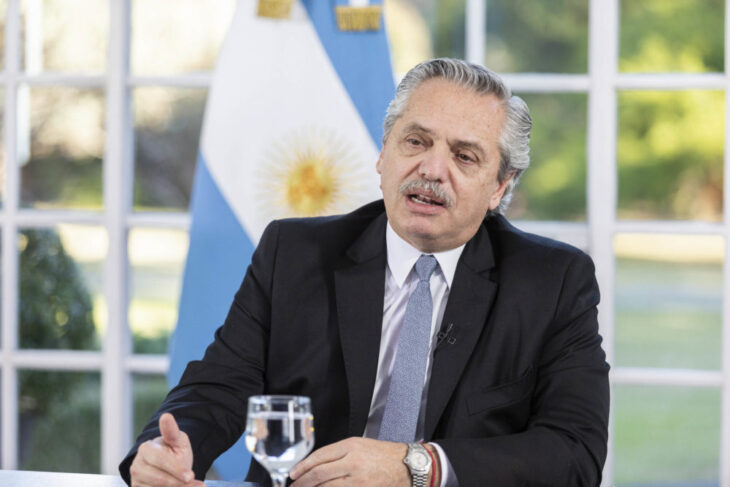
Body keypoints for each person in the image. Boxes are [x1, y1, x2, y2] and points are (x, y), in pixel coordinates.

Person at [120, 58, 609, 487]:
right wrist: (168, 451)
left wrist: (418, 466)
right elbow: (218, 387)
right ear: (383, 153)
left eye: (464, 156)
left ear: (500, 186)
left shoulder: (553, 282)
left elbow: (575, 452)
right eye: (415, 141)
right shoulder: (294, 254)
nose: (431, 169)